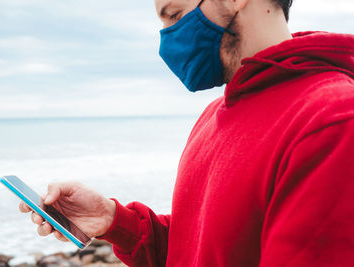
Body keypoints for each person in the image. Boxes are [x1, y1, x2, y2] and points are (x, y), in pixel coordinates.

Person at [20, 0, 354, 265]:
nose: (168, 39)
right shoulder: (214, 115)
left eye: (175, 14)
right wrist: (115, 220)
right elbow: (200, 252)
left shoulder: (333, 120)